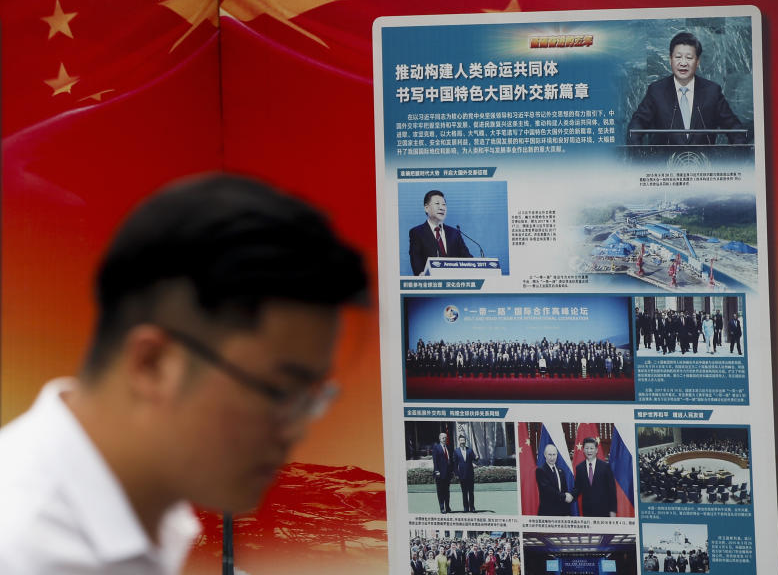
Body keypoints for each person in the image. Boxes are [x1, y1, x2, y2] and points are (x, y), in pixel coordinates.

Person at [0, 174, 367, 574]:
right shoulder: (23, 549)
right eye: (279, 391)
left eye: (311, 397)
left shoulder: (160, 519)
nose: (296, 431)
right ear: (152, 364)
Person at [627, 32, 744, 148]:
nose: (683, 63)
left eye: (689, 58)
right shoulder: (657, 91)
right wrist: (639, 155)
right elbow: (637, 125)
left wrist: (735, 157)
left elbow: (734, 128)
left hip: (704, 164)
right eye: (678, 57)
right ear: (670, 60)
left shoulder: (712, 91)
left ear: (697, 61)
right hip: (665, 164)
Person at [409, 190, 472, 275]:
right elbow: (416, 262)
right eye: (437, 204)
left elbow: (468, 260)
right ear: (426, 208)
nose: (442, 208)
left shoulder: (454, 233)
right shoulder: (417, 233)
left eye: (444, 204)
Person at [572, 437, 617, 517]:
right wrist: (569, 496)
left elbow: (612, 490)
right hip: (587, 511)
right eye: (587, 448)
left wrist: (613, 510)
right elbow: (577, 488)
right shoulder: (579, 468)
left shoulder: (605, 466)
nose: (589, 451)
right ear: (583, 450)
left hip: (604, 510)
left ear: (596, 450)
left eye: (592, 448)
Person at [535, 444, 573, 516]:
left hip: (562, 513)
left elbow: (565, 491)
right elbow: (548, 491)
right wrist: (565, 497)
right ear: (545, 455)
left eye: (554, 454)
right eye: (549, 455)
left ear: (557, 455)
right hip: (547, 513)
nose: (552, 458)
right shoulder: (540, 471)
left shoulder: (561, 471)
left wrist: (568, 513)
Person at [453, 433, 480, 512]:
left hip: (470, 474)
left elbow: (474, 458)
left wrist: (477, 458)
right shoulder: (456, 451)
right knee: (464, 492)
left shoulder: (470, 450)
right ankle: (465, 507)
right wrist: (456, 474)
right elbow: (455, 464)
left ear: (465, 441)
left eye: (463, 440)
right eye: (461, 440)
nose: (462, 441)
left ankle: (472, 507)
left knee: (471, 492)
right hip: (462, 475)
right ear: (459, 441)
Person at [432, 431, 454, 513]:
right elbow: (435, 460)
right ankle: (442, 507)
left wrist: (452, 471)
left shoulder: (448, 447)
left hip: (447, 473)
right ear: (439, 438)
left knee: (447, 491)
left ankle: (447, 507)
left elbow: (450, 460)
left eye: (445, 438)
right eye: (443, 438)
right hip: (439, 474)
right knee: (440, 491)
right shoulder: (436, 447)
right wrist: (436, 470)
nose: (444, 439)